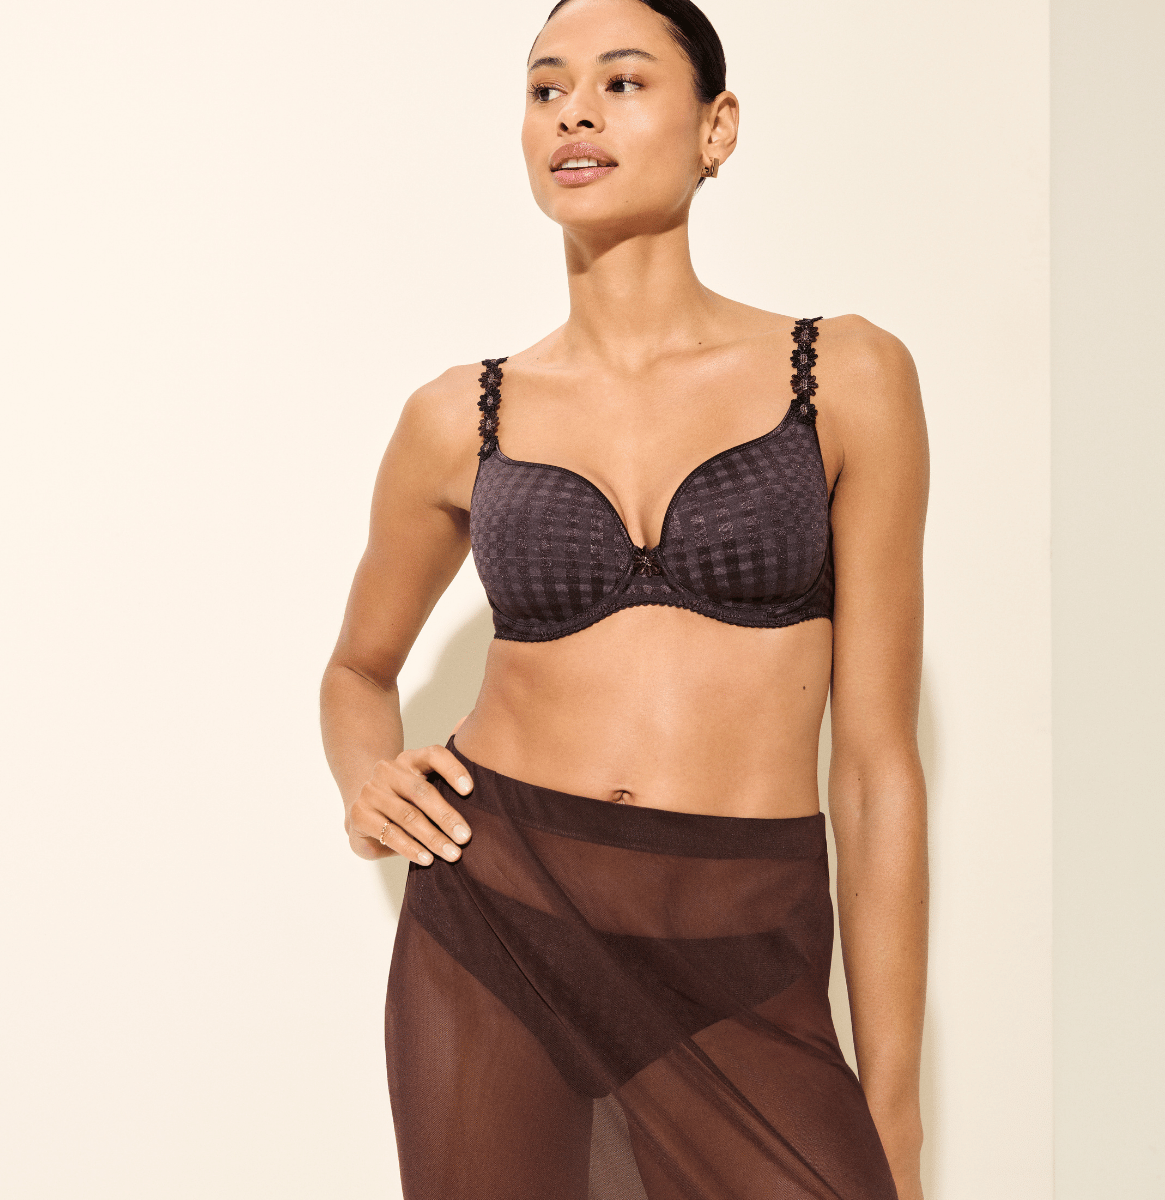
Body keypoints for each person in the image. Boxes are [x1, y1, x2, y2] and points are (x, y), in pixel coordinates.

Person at [320, 0, 929, 1196]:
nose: (575, 114)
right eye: (546, 89)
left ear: (717, 128)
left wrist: (896, 1112)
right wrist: (366, 779)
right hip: (500, 919)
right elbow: (356, 669)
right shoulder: (458, 414)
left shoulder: (846, 376)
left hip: (744, 933)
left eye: (623, 81)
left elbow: (874, 768)